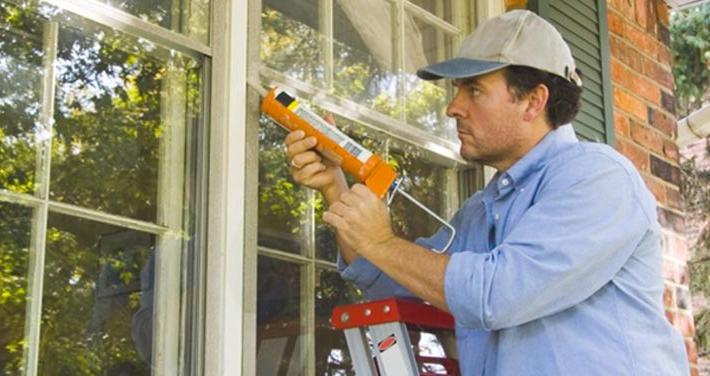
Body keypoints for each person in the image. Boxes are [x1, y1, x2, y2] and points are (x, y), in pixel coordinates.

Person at [283, 9, 689, 375]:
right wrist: (335, 188)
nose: (452, 107)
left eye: (473, 90)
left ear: (533, 101)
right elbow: (390, 278)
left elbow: (498, 294)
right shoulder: (481, 210)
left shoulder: (598, 177)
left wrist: (383, 241)